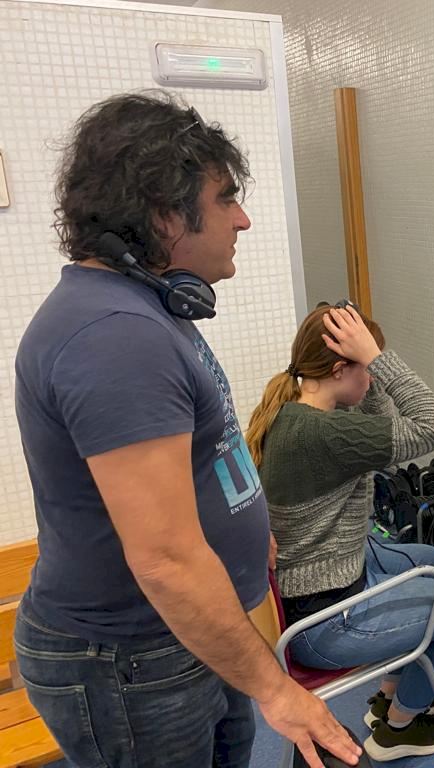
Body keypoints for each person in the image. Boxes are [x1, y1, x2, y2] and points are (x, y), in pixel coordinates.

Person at [13, 92, 361, 768]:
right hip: (133, 659)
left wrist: (245, 525)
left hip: (192, 632)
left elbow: (203, 451)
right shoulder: (116, 337)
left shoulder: (146, 310)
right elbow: (165, 560)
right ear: (163, 214)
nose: (243, 219)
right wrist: (277, 690)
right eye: (225, 199)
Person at [245, 303, 434, 762]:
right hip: (324, 623)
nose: (372, 377)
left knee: (430, 560)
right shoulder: (327, 434)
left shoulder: (295, 412)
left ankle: (391, 691)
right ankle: (400, 726)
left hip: (321, 582)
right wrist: (380, 358)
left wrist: (367, 368)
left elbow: (381, 433)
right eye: (365, 367)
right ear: (340, 369)